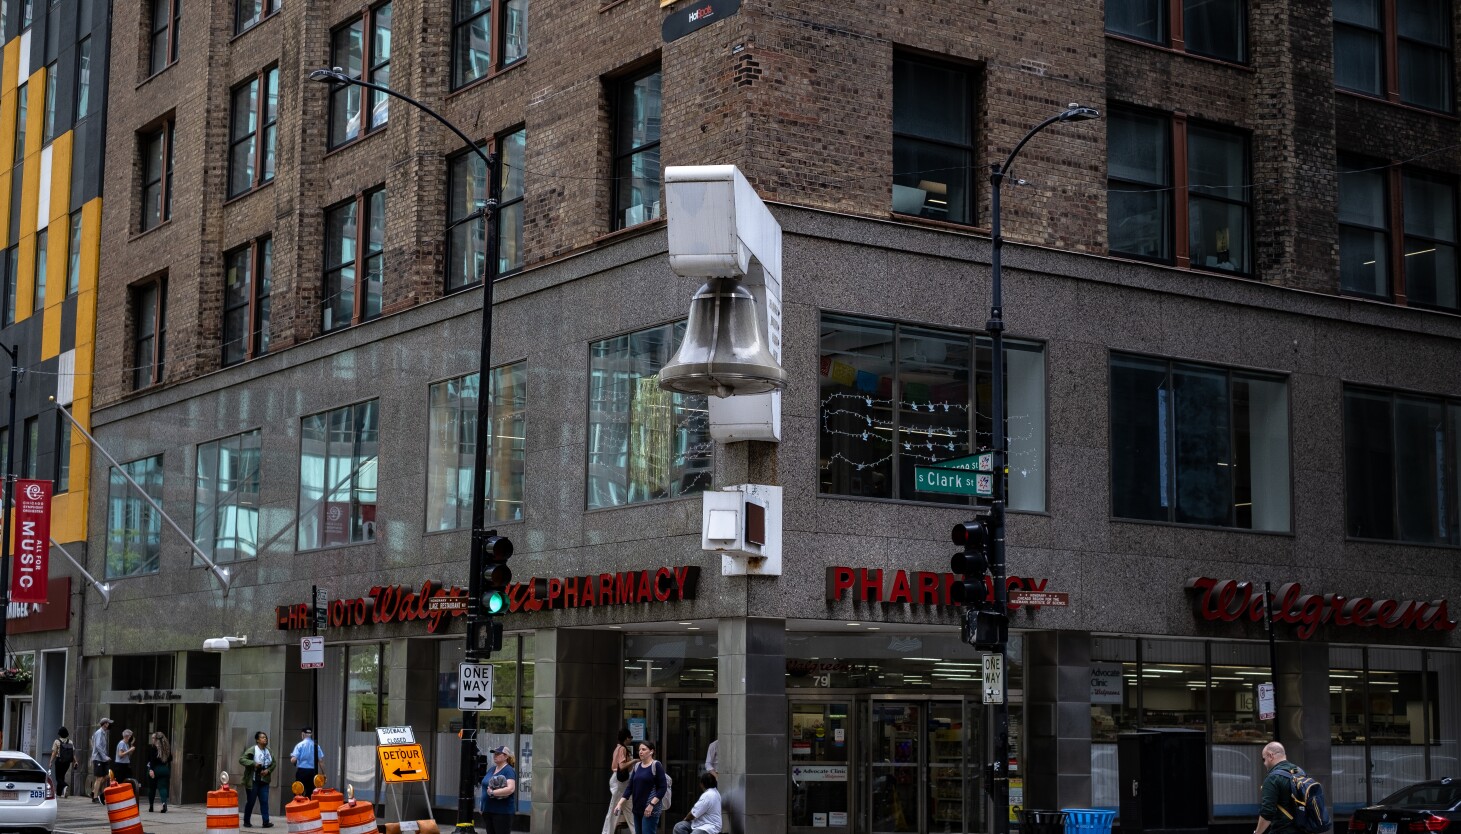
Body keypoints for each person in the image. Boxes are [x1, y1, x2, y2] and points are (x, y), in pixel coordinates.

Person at [614, 740, 669, 834]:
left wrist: (651, 805)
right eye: (639, 750)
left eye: (644, 749)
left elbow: (662, 788)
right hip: (637, 809)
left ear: (651, 751)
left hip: (650, 809)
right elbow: (630, 787)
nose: (640, 752)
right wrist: (619, 803)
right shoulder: (637, 766)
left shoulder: (656, 765)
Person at [1255, 741, 1302, 834]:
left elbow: (1267, 812)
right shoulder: (1299, 772)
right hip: (1303, 829)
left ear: (1270, 755)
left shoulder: (1273, 778)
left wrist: (1257, 833)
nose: (1264, 763)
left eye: (1264, 759)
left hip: (1283, 830)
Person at [601, 729, 635, 834]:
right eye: (630, 737)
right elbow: (622, 765)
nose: (631, 740)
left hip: (620, 780)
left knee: (628, 808)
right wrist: (634, 760)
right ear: (626, 738)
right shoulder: (622, 749)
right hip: (620, 781)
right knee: (615, 809)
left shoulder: (618, 748)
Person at [479, 745, 518, 834]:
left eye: (498, 753)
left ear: (506, 756)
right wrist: (482, 806)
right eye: (494, 753)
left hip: (502, 812)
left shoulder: (508, 770)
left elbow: (511, 789)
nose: (495, 755)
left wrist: (493, 792)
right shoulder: (491, 769)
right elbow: (485, 787)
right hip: (488, 810)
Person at [240, 730, 275, 828]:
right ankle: (246, 821)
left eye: (266, 737)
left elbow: (274, 763)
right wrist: (254, 764)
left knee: (264, 801)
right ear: (257, 740)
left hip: (264, 780)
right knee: (251, 801)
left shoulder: (269, 751)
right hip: (253, 780)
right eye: (262, 737)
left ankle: (266, 821)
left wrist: (268, 770)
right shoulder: (252, 750)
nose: (265, 739)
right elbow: (242, 759)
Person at [290, 727, 322, 799]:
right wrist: (323, 773)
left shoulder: (300, 745)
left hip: (302, 771)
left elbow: (293, 760)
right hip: (312, 772)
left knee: (298, 791)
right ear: (311, 734)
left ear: (302, 734)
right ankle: (308, 807)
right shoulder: (316, 745)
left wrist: (292, 757)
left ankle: (299, 808)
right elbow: (321, 761)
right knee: (310, 792)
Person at [147, 732, 172, 813]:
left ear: (157, 739)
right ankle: (164, 804)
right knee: (163, 788)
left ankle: (151, 806)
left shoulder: (153, 748)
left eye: (154, 738)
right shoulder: (166, 748)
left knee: (152, 788)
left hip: (155, 770)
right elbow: (170, 758)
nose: (152, 739)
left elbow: (152, 761)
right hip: (164, 770)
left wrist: (151, 770)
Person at [89, 717, 111, 802]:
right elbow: (98, 746)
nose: (108, 724)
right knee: (99, 778)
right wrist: (105, 757)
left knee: (106, 776)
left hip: (102, 758)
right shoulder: (99, 733)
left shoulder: (104, 733)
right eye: (107, 723)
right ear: (104, 724)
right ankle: (95, 797)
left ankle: (94, 791)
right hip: (98, 758)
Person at [48, 728, 74, 799]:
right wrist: (76, 761)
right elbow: (72, 753)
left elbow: (54, 752)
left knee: (58, 778)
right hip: (67, 762)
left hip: (59, 761)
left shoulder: (57, 741)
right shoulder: (70, 742)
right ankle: (59, 793)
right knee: (62, 776)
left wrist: (50, 762)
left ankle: (65, 785)